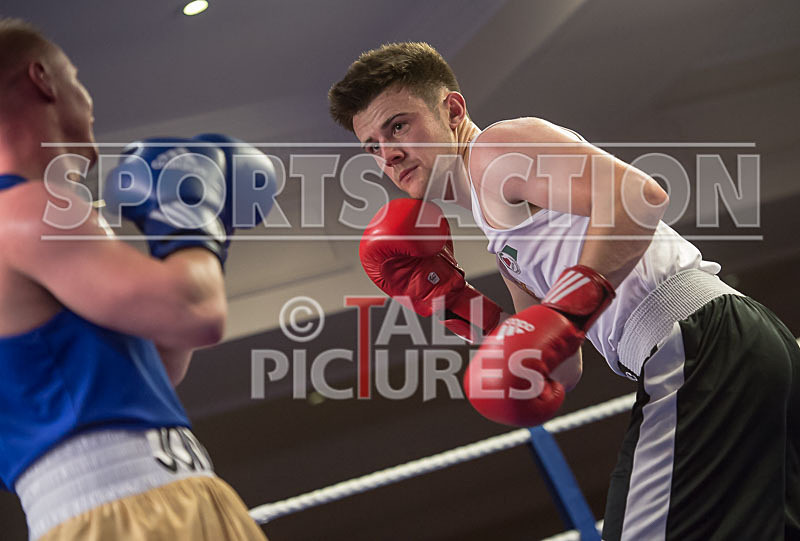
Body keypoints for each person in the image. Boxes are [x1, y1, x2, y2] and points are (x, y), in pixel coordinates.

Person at [330, 42, 800, 540]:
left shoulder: (495, 151)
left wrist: (571, 306)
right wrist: (455, 305)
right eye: (373, 146)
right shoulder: (502, 236)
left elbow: (638, 196)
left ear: (451, 110)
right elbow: (561, 365)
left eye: (398, 126)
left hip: (700, 345)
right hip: (719, 344)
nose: (388, 154)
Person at [0, 18, 271, 540]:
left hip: (141, 496)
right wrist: (193, 221)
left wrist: (203, 241)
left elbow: (158, 360)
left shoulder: (34, 218)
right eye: (74, 77)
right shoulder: (27, 210)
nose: (87, 97)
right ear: (43, 79)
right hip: (129, 510)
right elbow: (193, 313)